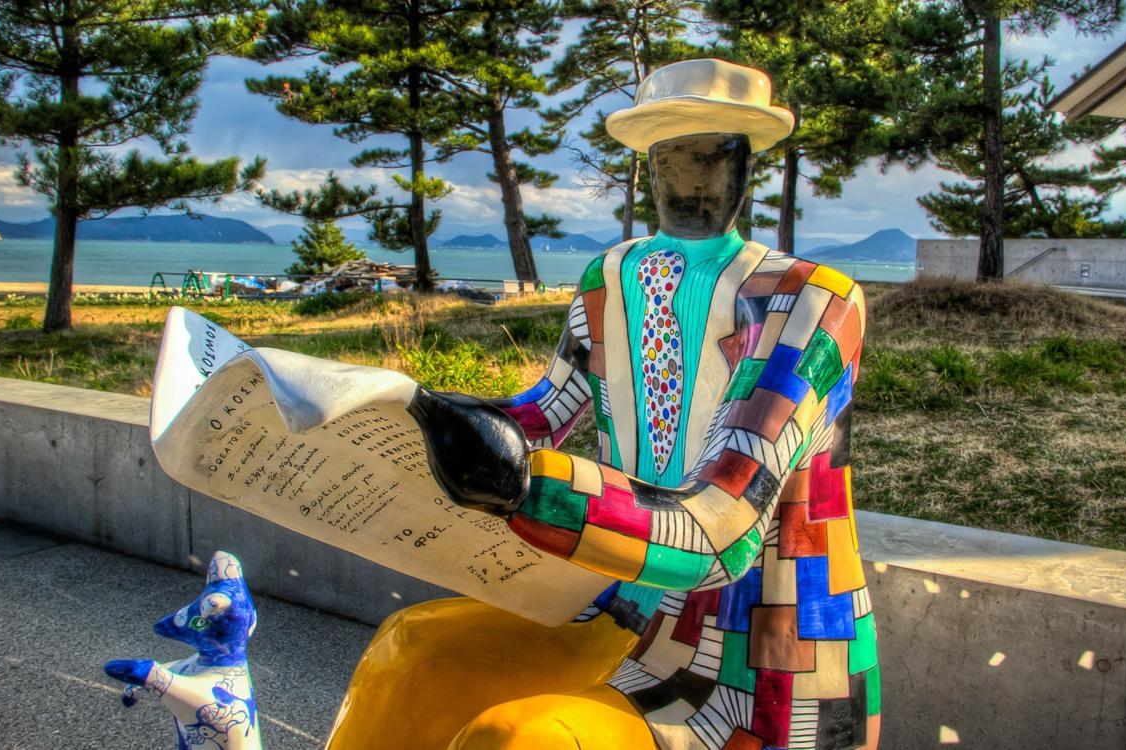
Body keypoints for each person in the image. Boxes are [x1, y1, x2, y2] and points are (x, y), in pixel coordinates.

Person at [327, 58, 880, 750]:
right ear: (648, 165)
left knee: (525, 740)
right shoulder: (611, 279)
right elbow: (543, 413)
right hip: (622, 604)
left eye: (712, 154)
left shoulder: (812, 301)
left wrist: (528, 490)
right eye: (671, 155)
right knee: (407, 652)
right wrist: (420, 417)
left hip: (769, 651)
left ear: (745, 165)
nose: (691, 177)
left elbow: (723, 528)